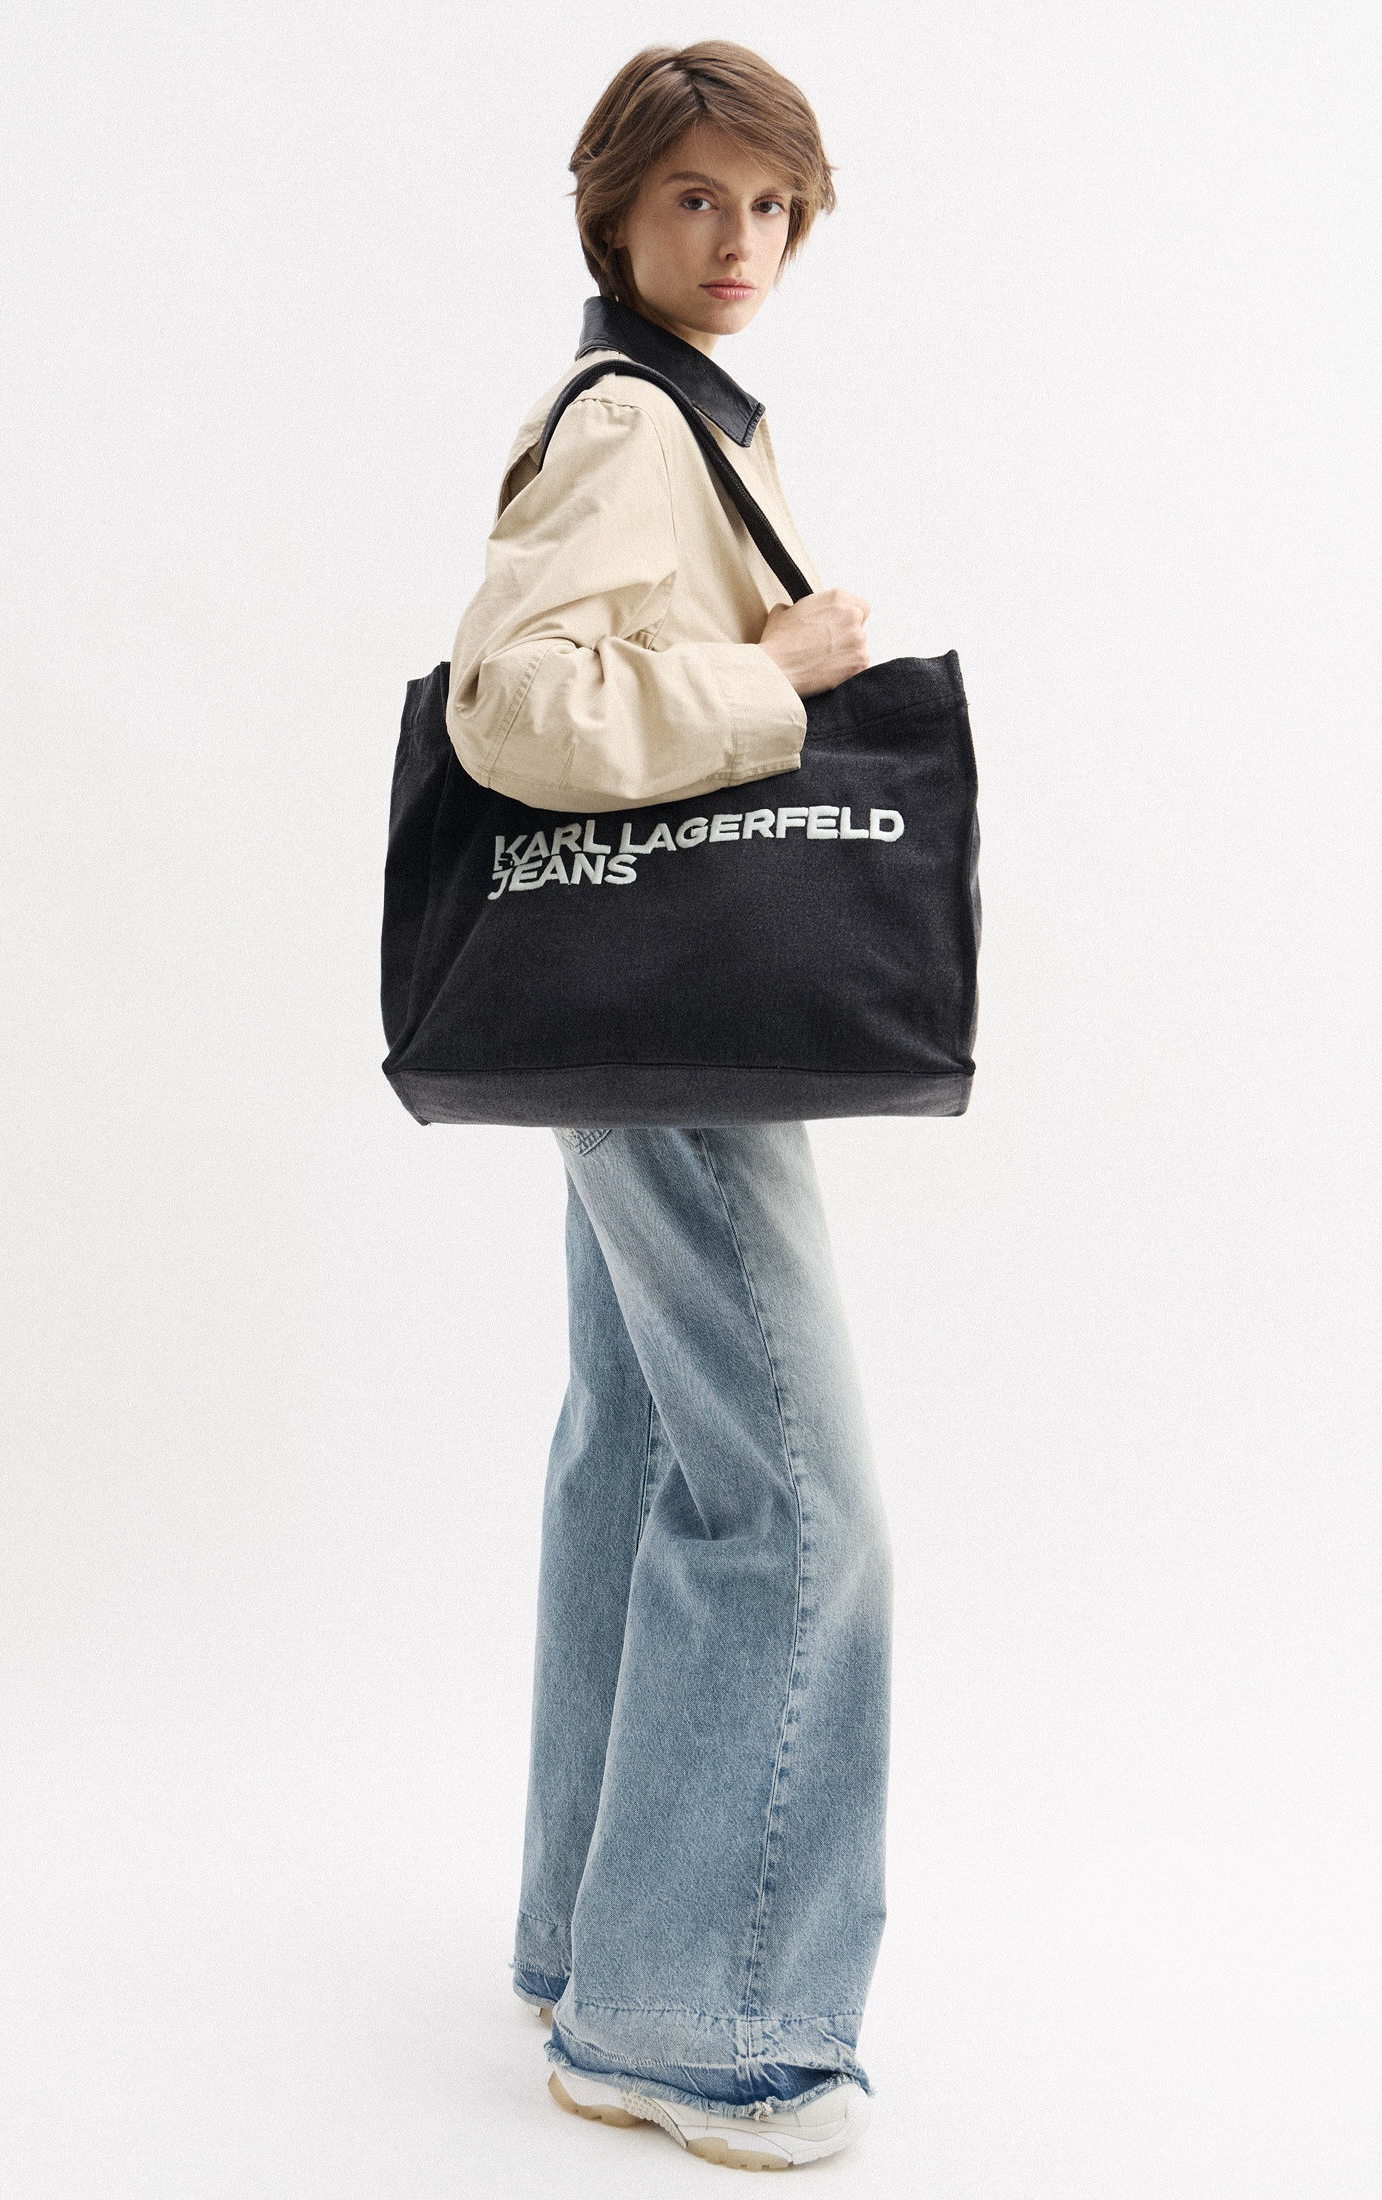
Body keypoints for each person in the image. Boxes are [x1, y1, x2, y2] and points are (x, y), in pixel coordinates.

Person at [446, 43, 889, 2172]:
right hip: (678, 1009)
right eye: (697, 200)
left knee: (635, 1454)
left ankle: (586, 1939)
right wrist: (773, 676)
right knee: (795, 1499)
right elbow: (511, 701)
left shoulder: (681, 411)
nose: (738, 243)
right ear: (615, 211)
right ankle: (700, 2025)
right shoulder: (635, 420)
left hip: (636, 999)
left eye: (770, 206)